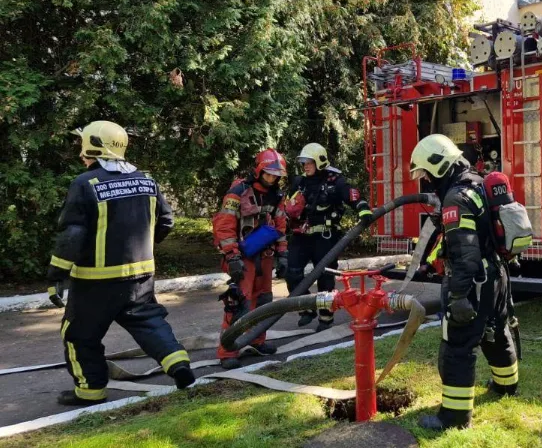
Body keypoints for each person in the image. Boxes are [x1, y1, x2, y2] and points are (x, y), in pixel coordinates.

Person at [47, 120, 194, 406]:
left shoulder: (84, 184)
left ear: (95, 146)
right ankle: (179, 365)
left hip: (94, 282)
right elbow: (166, 221)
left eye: (83, 145)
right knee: (149, 323)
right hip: (140, 277)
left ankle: (90, 391)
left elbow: (73, 234)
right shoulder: (145, 181)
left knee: (79, 333)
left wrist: (57, 275)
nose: (80, 153)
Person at [409, 134, 519, 431]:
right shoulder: (478, 182)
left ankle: (454, 417)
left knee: (458, 345)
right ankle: (506, 386)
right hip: (496, 276)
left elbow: (465, 254)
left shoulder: (455, 199)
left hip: (474, 282)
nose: (427, 181)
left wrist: (458, 296)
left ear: (439, 167)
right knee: (496, 331)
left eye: (427, 174)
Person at [212, 149, 289, 369]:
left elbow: (280, 224)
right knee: (238, 302)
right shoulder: (238, 193)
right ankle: (228, 350)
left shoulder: (277, 195)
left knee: (263, 300)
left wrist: (283, 254)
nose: (272, 179)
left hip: (264, 255)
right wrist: (232, 257)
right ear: (258, 171)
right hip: (242, 257)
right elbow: (224, 226)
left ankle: (256, 340)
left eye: (276, 175)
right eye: (268, 174)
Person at [282, 143, 373, 330]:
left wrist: (363, 210)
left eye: (309, 162)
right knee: (291, 274)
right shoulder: (299, 182)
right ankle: (306, 308)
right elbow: (288, 205)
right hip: (301, 235)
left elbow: (353, 196)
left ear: (320, 162)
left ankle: (325, 318)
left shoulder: (335, 181)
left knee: (325, 278)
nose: (305, 166)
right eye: (303, 162)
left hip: (325, 237)